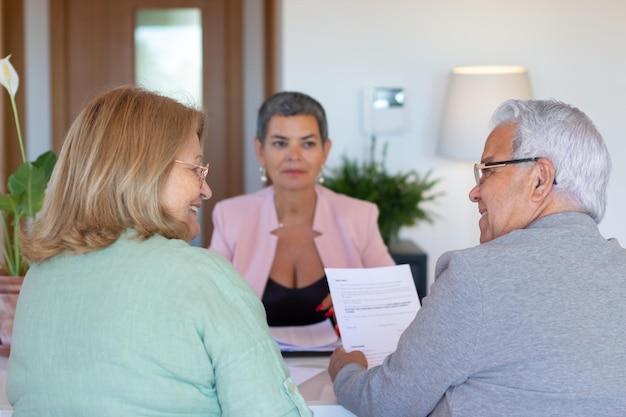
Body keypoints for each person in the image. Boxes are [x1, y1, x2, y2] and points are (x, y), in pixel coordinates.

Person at [7, 86, 312, 417]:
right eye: (195, 169)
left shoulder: (37, 280)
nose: (205, 189)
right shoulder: (202, 275)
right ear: (144, 169)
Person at [328, 98, 626, 416]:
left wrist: (346, 369)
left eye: (487, 171)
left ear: (540, 179)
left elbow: (387, 403)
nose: (475, 192)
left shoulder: (475, 277)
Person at [209, 91, 395, 327]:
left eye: (307, 143)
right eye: (280, 143)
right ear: (260, 151)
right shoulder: (230, 216)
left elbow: (394, 298)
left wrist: (361, 303)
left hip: (340, 362)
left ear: (325, 151)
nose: (294, 156)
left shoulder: (360, 216)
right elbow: (208, 303)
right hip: (255, 360)